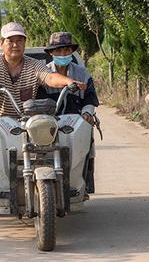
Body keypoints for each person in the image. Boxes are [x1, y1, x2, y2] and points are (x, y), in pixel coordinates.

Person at [0, 22, 86, 122]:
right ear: (2, 43)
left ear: (24, 43)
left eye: (19, 40)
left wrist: (69, 81)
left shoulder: (34, 65)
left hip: (23, 123)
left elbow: (50, 77)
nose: (15, 45)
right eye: (10, 41)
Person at [37, 31, 100, 196]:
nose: (63, 54)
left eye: (66, 51)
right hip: (48, 123)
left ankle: (83, 183)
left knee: (87, 144)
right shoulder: (44, 74)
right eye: (58, 51)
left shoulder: (82, 74)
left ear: (71, 52)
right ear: (51, 53)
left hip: (75, 123)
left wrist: (87, 113)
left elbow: (90, 99)